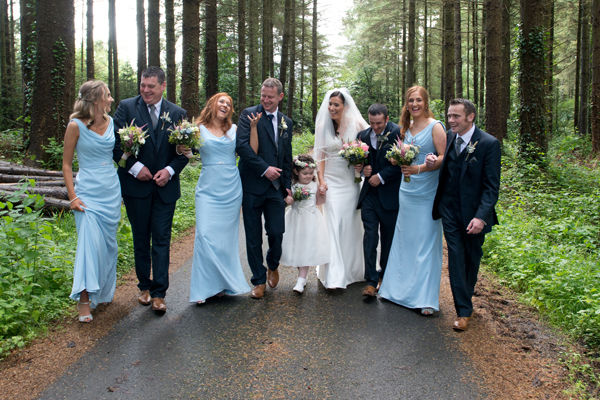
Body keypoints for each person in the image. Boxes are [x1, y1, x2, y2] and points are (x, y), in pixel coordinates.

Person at [112, 66, 189, 313]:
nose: (145, 90)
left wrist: (170, 171)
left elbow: (186, 151)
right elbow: (115, 146)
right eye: (143, 85)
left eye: (151, 86)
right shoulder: (126, 108)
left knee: (162, 239)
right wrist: (135, 168)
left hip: (165, 189)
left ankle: (159, 293)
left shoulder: (177, 113)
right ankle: (144, 286)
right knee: (141, 237)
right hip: (136, 187)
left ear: (163, 86)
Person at [427, 98, 501, 330]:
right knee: (456, 257)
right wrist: (432, 159)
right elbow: (443, 161)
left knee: (472, 258)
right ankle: (463, 311)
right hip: (449, 208)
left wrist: (481, 216)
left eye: (456, 116)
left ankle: (466, 296)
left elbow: (491, 187)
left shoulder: (489, 143)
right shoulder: (449, 137)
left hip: (474, 214)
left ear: (470, 117)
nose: (451, 120)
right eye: (449, 115)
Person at [173, 93, 250, 304]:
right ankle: (204, 288)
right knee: (204, 235)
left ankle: (222, 284)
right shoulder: (197, 129)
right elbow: (187, 152)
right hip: (208, 188)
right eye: (221, 101)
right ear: (212, 104)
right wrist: (180, 148)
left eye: (229, 103)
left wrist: (253, 129)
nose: (225, 105)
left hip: (231, 188)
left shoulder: (235, 130)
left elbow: (249, 150)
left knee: (225, 240)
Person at [378, 86, 447, 315]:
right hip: (406, 191)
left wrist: (420, 168)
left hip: (427, 193)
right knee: (404, 241)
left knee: (426, 244)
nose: (414, 104)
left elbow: (444, 157)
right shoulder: (405, 128)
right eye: (410, 101)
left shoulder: (436, 127)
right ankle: (396, 291)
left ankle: (425, 298)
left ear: (425, 102)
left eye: (418, 100)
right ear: (406, 104)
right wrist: (397, 160)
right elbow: (400, 154)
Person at [63, 80, 121, 323]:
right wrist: (73, 197)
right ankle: (84, 300)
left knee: (107, 246)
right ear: (96, 99)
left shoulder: (112, 122)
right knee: (89, 246)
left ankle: (103, 291)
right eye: (107, 95)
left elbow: (117, 155)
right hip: (87, 193)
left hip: (111, 190)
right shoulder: (75, 125)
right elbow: (66, 165)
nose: (111, 99)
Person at [235, 78, 293, 299]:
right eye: (263, 96)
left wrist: (287, 185)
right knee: (253, 236)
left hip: (276, 187)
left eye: (270, 97)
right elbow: (242, 147)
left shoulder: (286, 122)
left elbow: (286, 155)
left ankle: (273, 264)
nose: (265, 100)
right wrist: (264, 169)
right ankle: (258, 280)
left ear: (280, 96)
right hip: (252, 184)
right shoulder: (248, 115)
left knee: (277, 232)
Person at [314, 89, 369, 289]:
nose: (332, 108)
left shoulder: (358, 124)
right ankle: (335, 275)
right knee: (333, 224)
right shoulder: (323, 126)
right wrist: (321, 181)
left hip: (351, 182)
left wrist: (363, 164)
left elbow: (371, 146)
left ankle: (353, 270)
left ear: (345, 106)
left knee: (351, 225)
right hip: (331, 182)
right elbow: (320, 158)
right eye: (330, 104)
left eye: (336, 104)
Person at [354, 104, 402, 297]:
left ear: (387, 119)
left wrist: (380, 176)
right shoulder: (362, 136)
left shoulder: (398, 133)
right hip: (369, 196)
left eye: (379, 123)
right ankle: (371, 281)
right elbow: (360, 161)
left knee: (388, 239)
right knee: (370, 237)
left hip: (390, 195)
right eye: (372, 123)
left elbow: (403, 163)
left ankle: (385, 276)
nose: (375, 127)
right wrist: (362, 169)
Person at [279, 154, 329, 293]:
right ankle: (302, 276)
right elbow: (287, 200)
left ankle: (300, 280)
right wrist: (288, 199)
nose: (308, 176)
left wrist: (322, 193)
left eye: (311, 173)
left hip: (310, 220)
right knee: (297, 248)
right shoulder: (292, 184)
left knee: (306, 247)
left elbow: (318, 203)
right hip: (295, 220)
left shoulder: (314, 185)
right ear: (296, 171)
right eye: (305, 173)